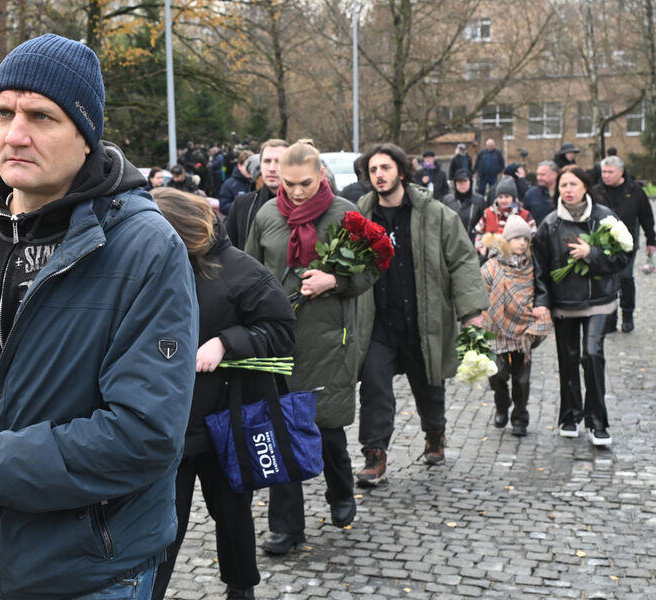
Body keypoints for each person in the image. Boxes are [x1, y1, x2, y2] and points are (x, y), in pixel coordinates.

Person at [0, 34, 198, 599]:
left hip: (90, 573)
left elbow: (143, 435)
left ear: (86, 137)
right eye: (2, 112)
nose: (15, 134)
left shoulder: (144, 248)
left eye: (42, 116)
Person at [150, 189, 296, 600]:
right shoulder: (153, 267)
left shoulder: (239, 270)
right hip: (168, 423)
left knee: (232, 513)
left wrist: (225, 343)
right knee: (162, 520)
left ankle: (241, 586)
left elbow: (282, 329)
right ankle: (149, 590)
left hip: (224, 420)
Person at [245, 140, 377, 555]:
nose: (297, 191)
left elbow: (371, 269)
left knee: (327, 430)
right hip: (279, 339)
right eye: (288, 183)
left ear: (321, 175)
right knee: (279, 429)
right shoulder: (267, 215)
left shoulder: (343, 214)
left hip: (327, 337)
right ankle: (286, 528)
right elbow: (249, 270)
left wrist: (334, 281)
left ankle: (341, 491)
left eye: (304, 183)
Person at [353, 143, 488, 486]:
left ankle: (435, 434)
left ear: (401, 171)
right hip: (377, 321)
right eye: (373, 170)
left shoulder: (435, 214)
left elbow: (462, 260)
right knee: (374, 385)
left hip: (422, 318)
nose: (379, 175)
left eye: (385, 168)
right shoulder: (360, 216)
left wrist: (472, 312)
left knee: (428, 383)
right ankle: (375, 454)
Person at [533, 166, 630, 446]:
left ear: (585, 186)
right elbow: (539, 271)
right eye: (563, 185)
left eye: (573, 184)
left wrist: (593, 254)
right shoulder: (549, 224)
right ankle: (570, 415)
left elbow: (623, 257)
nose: (568, 190)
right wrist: (542, 303)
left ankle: (598, 421)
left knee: (592, 354)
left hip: (599, 301)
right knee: (568, 358)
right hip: (565, 304)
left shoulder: (605, 218)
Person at [479, 215, 553, 437]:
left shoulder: (532, 267)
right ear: (506, 240)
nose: (522, 242)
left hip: (523, 331)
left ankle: (520, 417)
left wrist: (541, 311)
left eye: (526, 238)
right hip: (497, 330)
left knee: (522, 379)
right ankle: (502, 405)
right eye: (517, 238)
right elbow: (479, 293)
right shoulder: (492, 266)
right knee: (497, 375)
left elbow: (540, 290)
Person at [591, 155, 656, 333]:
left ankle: (627, 314)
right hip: (603, 245)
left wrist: (651, 239)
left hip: (627, 243)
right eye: (603, 171)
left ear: (621, 172)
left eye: (610, 172)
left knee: (625, 278)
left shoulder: (634, 190)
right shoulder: (596, 191)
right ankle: (610, 318)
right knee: (609, 281)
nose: (606, 175)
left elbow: (646, 216)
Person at [225, 138, 289, 250]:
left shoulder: (303, 205)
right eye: (267, 161)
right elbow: (229, 251)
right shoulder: (242, 204)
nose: (272, 168)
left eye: (279, 161)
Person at [474, 178, 537, 256]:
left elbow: (533, 236)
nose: (503, 200)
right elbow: (478, 233)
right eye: (500, 197)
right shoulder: (488, 213)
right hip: (492, 261)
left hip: (518, 261)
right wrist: (481, 247)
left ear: (513, 198)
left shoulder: (524, 214)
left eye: (507, 197)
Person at [441, 169, 485, 241]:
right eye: (459, 182)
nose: (462, 184)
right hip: (452, 244)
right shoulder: (447, 201)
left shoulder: (479, 200)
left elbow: (484, 223)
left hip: (473, 244)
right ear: (455, 183)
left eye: (465, 181)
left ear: (470, 182)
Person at [218, 150, 253, 215]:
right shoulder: (229, 184)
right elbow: (223, 208)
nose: (249, 169)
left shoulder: (260, 182)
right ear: (239, 166)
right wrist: (242, 203)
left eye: (251, 166)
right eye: (246, 166)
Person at [523, 160, 558, 225]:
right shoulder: (531, 195)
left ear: (554, 174)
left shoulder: (564, 194)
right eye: (538, 174)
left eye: (542, 175)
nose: (538, 178)